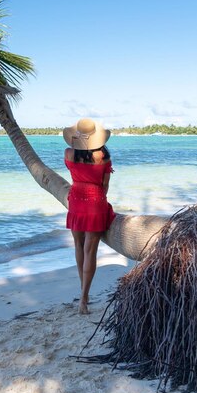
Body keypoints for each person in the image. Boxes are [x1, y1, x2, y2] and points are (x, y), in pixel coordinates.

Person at [63, 118, 116, 315]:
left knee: (78, 245)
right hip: (95, 202)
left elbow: (73, 172)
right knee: (90, 251)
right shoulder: (103, 156)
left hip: (76, 199)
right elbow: (104, 186)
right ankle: (84, 299)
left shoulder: (68, 153)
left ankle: (83, 292)